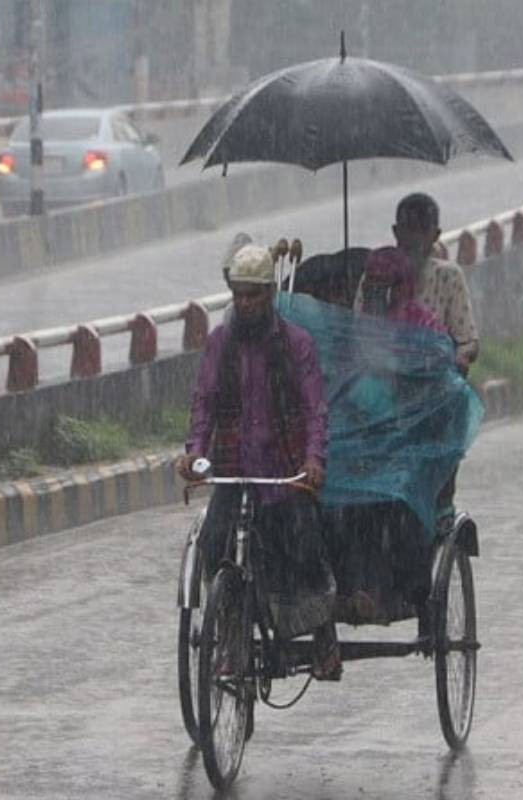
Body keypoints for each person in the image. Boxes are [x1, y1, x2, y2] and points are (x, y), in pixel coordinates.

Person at [176, 244, 341, 679]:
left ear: (269, 293)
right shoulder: (220, 345)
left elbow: (314, 409)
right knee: (214, 546)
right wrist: (194, 451)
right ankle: (229, 634)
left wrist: (313, 460)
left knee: (303, 547)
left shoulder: (296, 345)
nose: (245, 303)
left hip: (284, 471)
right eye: (239, 295)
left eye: (254, 295)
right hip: (233, 469)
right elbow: (204, 404)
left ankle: (323, 633)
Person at [358, 193, 479, 373]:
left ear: (436, 234)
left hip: (435, 376)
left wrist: (461, 356)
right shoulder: (378, 273)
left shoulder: (448, 276)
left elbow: (468, 341)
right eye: (409, 228)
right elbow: (359, 333)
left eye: (423, 230)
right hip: (384, 375)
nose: (415, 238)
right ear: (396, 231)